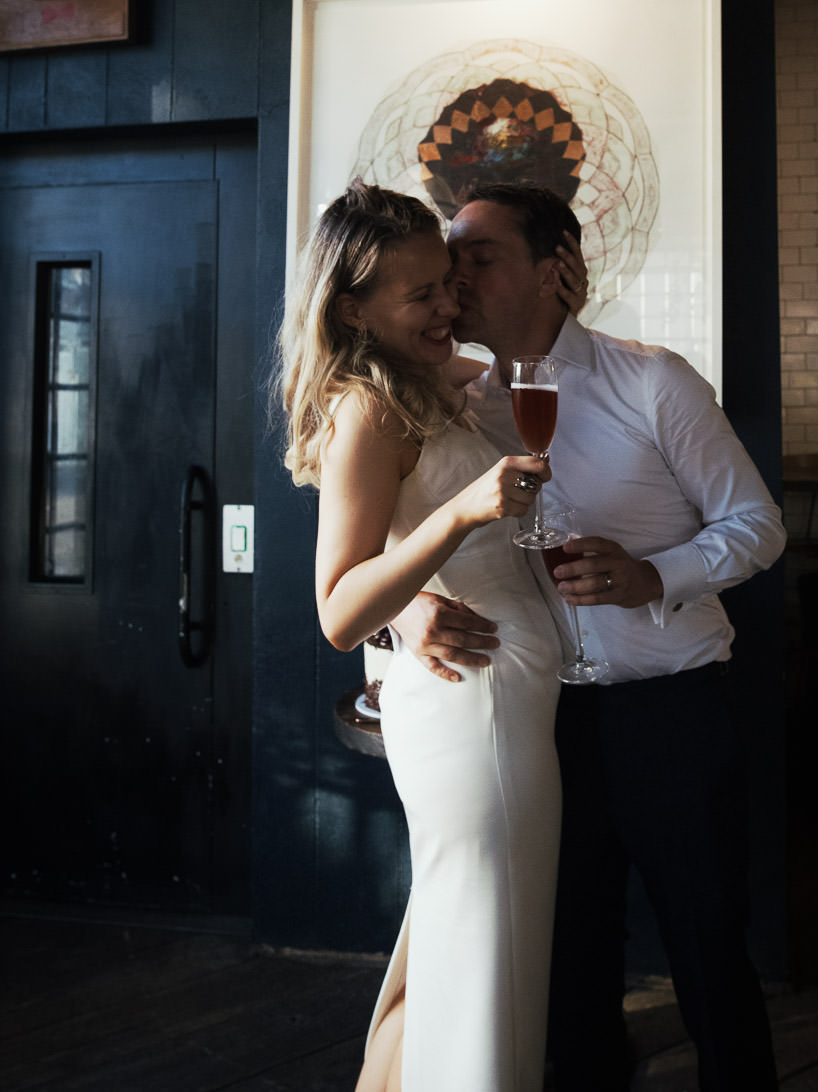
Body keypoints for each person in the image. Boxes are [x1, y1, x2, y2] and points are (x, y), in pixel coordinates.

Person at [391, 182, 787, 1092]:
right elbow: (384, 546)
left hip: (670, 713)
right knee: (565, 957)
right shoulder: (456, 406)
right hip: (536, 722)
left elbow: (757, 526)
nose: (455, 273)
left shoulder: (654, 379)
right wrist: (405, 611)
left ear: (555, 269)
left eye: (480, 255)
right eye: (451, 257)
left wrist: (655, 576)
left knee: (707, 944)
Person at [279, 180, 571, 1092]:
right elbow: (337, 610)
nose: (451, 304)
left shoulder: (434, 382)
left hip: (502, 704)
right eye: (424, 295)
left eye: (451, 281)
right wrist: (463, 515)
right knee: (488, 950)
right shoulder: (369, 408)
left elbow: (536, 369)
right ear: (353, 308)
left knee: (466, 941)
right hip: (470, 715)